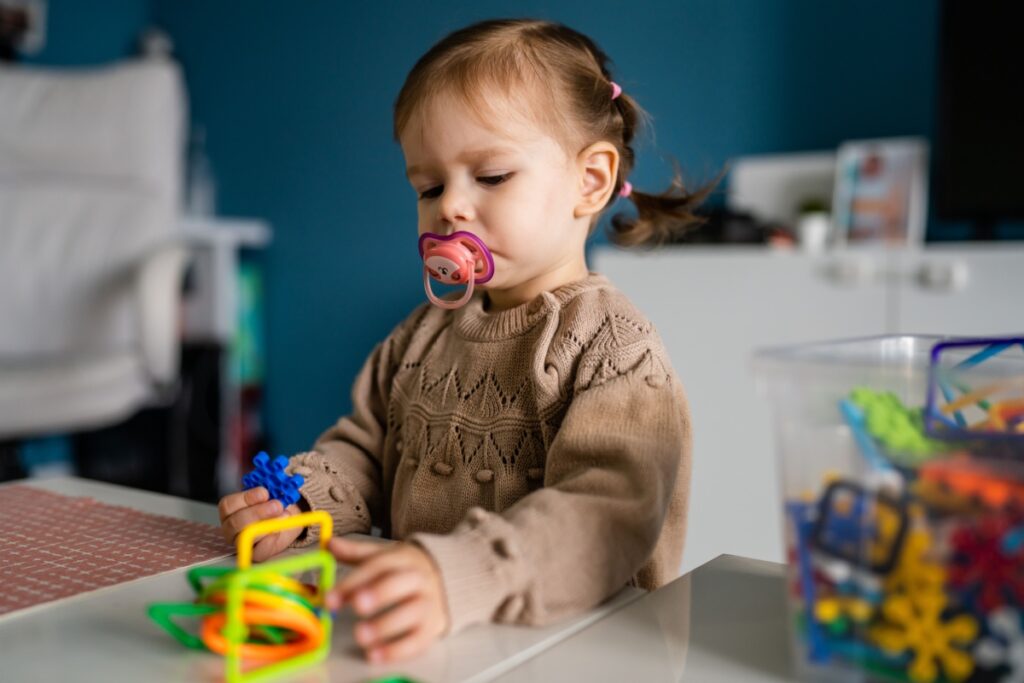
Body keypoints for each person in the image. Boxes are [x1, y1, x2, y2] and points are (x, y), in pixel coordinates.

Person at [218, 18, 713, 664]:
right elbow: (362, 451)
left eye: (491, 176)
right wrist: (302, 502)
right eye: (428, 186)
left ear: (589, 181)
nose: (449, 206)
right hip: (437, 643)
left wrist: (462, 576)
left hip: (577, 652)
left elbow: (605, 512)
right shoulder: (421, 335)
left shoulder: (614, 345)